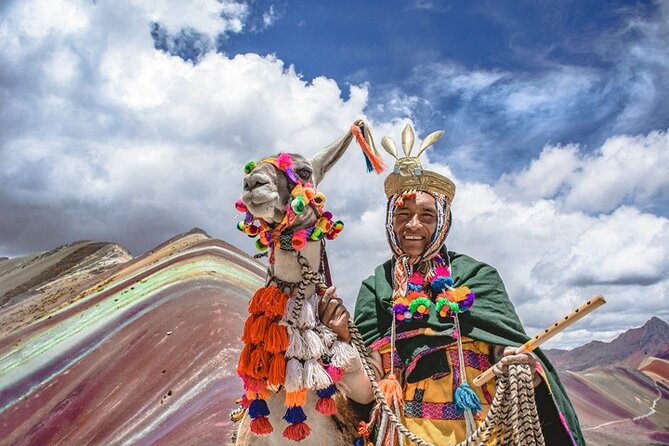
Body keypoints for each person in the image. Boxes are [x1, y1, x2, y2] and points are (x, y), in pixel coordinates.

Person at [318, 124, 584, 445]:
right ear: (391, 221)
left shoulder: (477, 275)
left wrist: (516, 362)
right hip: (405, 436)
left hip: (483, 432)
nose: (413, 225)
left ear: (443, 221)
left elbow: (502, 346)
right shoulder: (377, 286)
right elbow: (367, 393)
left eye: (427, 215)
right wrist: (347, 348)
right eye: (403, 214)